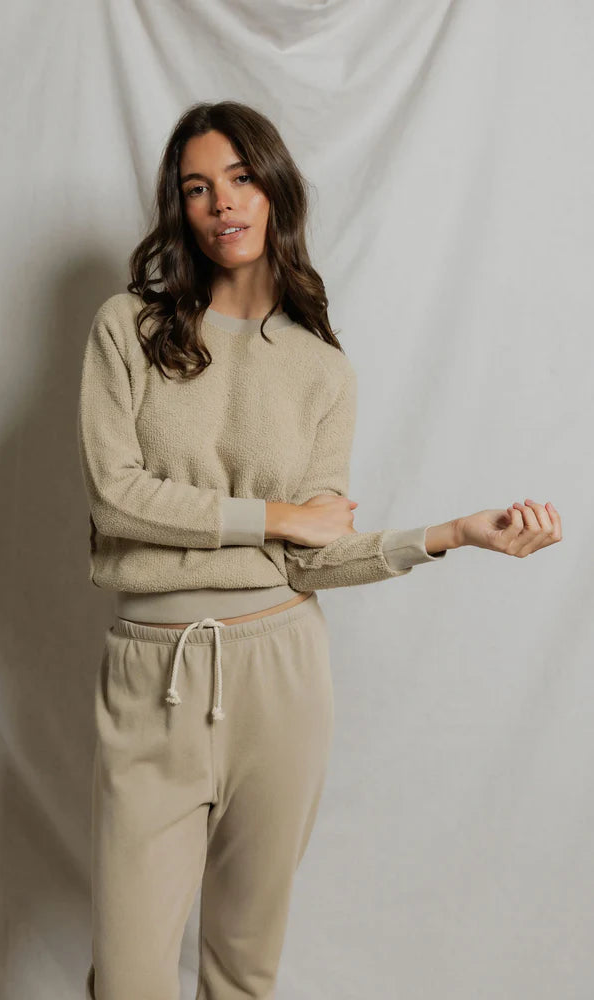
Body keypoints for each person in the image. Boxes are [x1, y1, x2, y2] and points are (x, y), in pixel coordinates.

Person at [76, 101, 561, 1000]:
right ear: (177, 210)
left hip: (282, 671)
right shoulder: (129, 330)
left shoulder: (321, 369)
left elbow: (316, 553)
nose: (222, 203)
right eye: (196, 188)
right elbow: (118, 495)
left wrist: (450, 534)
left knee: (244, 967)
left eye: (240, 178)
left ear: (273, 189)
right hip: (156, 675)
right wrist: (273, 516)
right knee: (133, 972)